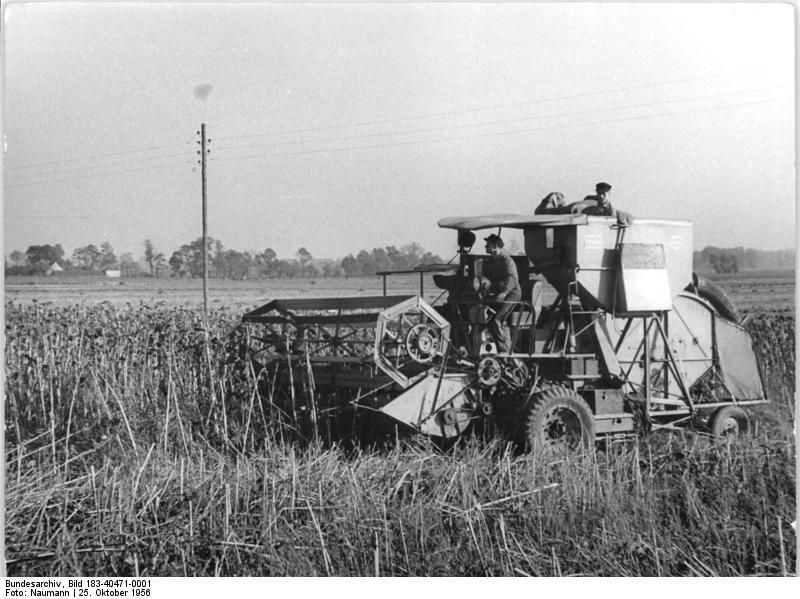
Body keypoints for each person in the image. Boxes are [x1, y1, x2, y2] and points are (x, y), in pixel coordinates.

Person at [481, 234, 521, 353]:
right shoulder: (491, 262)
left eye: (487, 244)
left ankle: (507, 353)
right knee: (487, 317)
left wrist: (505, 292)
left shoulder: (507, 260)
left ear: (495, 246)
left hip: (512, 293)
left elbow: (512, 278)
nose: (485, 246)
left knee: (498, 319)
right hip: (499, 294)